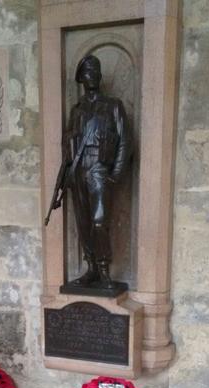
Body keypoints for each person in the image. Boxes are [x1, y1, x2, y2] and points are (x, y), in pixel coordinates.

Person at [48, 54, 132, 290]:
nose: (92, 75)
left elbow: (125, 141)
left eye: (96, 71)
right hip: (78, 170)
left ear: (99, 76)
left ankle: (104, 268)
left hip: (98, 169)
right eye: (88, 72)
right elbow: (66, 147)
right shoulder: (77, 111)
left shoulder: (113, 106)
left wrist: (115, 173)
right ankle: (91, 268)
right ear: (81, 79)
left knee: (98, 221)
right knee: (84, 223)